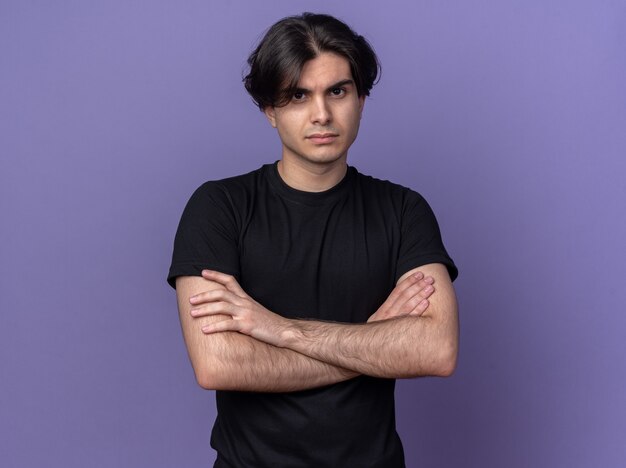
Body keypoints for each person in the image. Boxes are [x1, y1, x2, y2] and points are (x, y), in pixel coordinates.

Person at [168, 12, 459, 468]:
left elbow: (436, 350)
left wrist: (283, 330)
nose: (321, 114)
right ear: (270, 110)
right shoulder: (219, 207)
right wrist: (372, 342)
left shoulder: (404, 211)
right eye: (298, 95)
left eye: (337, 91)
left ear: (361, 99)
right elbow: (218, 364)